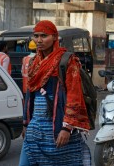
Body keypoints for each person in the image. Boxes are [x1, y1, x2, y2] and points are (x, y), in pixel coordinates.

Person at [21, 20, 90, 166]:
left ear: (54, 37)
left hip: (58, 125)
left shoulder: (67, 60)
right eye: (36, 36)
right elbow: (30, 95)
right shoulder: (34, 63)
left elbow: (74, 96)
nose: (39, 40)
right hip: (35, 127)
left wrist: (66, 128)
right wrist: (26, 123)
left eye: (44, 36)